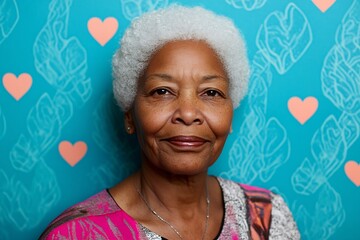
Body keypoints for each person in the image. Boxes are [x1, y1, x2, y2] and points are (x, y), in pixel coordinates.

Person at [40, 5, 300, 240]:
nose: (188, 113)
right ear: (129, 115)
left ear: (230, 114)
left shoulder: (267, 216)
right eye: (162, 91)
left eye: (211, 92)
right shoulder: (77, 234)